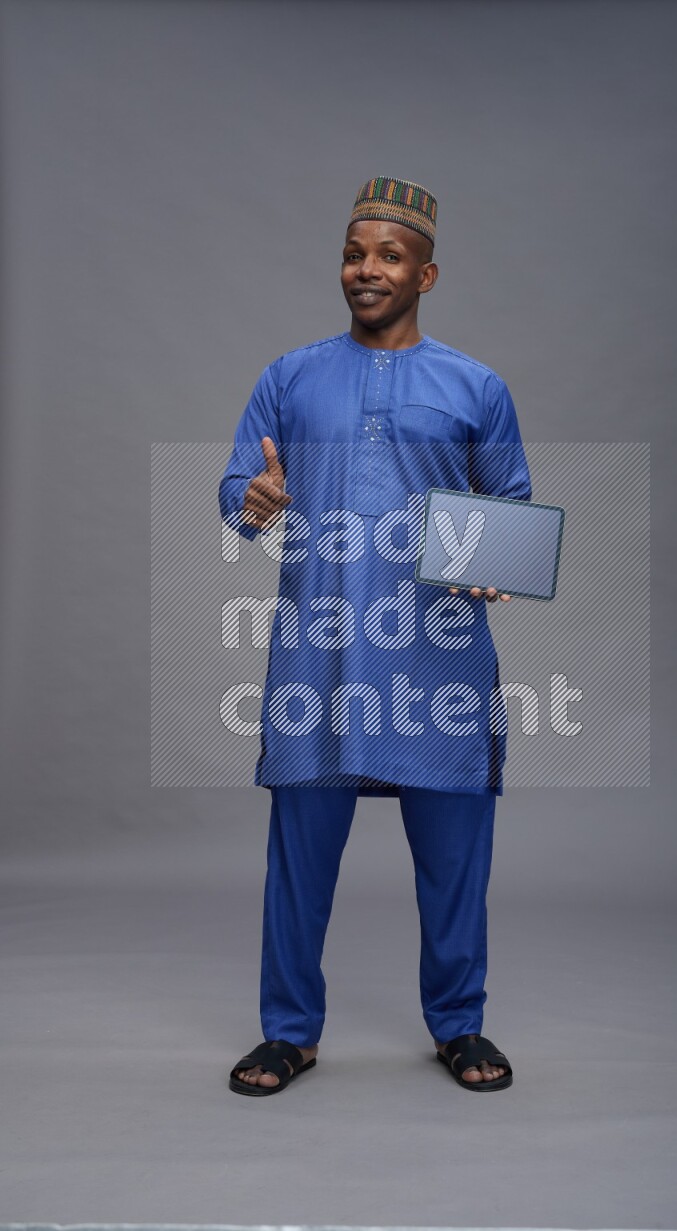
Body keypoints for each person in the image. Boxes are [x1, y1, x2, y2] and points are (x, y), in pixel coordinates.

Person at [219, 176, 531, 1095]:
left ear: (426, 273)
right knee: (299, 855)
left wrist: (495, 558)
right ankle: (288, 1031)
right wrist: (256, 497)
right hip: (319, 655)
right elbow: (239, 489)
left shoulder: (476, 386)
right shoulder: (290, 376)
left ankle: (460, 1025)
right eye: (355, 253)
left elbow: (509, 510)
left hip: (437, 657)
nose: (367, 269)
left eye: (389, 256)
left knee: (455, 855)